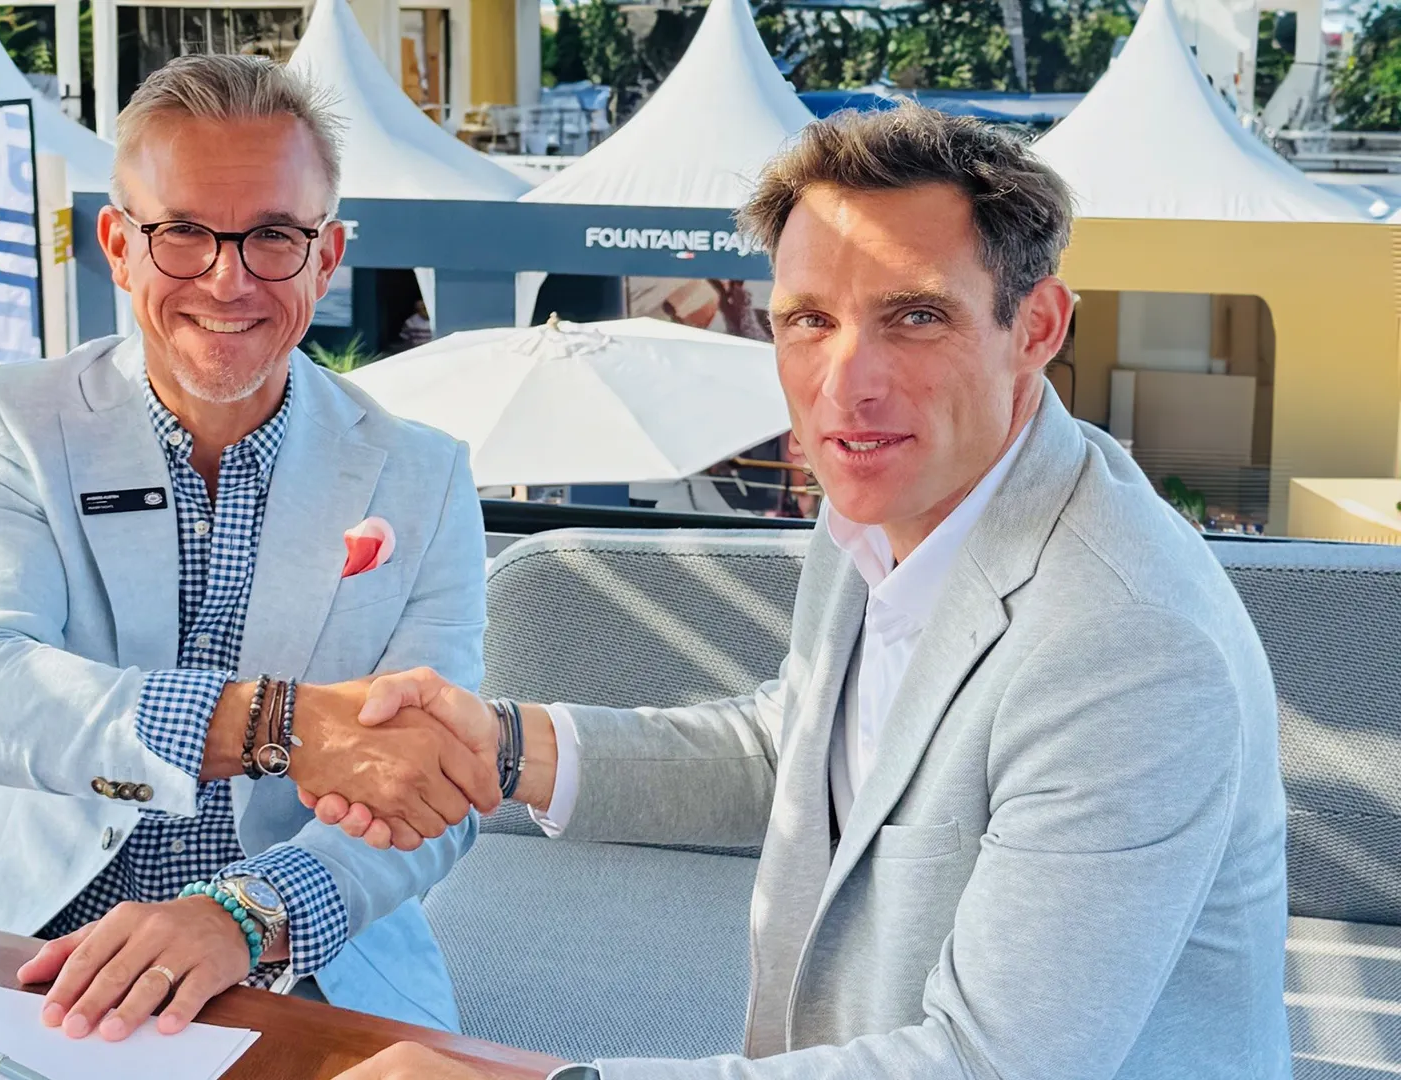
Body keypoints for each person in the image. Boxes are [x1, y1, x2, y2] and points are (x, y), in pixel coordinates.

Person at [312, 105, 1292, 1079]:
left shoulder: (1122, 643)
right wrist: (504, 748)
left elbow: (987, 1067)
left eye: (916, 317)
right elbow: (798, 754)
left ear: (1035, 327)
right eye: (809, 321)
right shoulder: (887, 502)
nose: (846, 384)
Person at [0, 54, 498, 1045]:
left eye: (274, 235)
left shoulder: (421, 476)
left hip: (306, 959)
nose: (228, 279)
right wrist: (272, 723)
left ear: (327, 257)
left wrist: (245, 915)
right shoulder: (15, 423)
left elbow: (440, 790)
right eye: (182, 232)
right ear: (119, 247)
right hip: (31, 937)